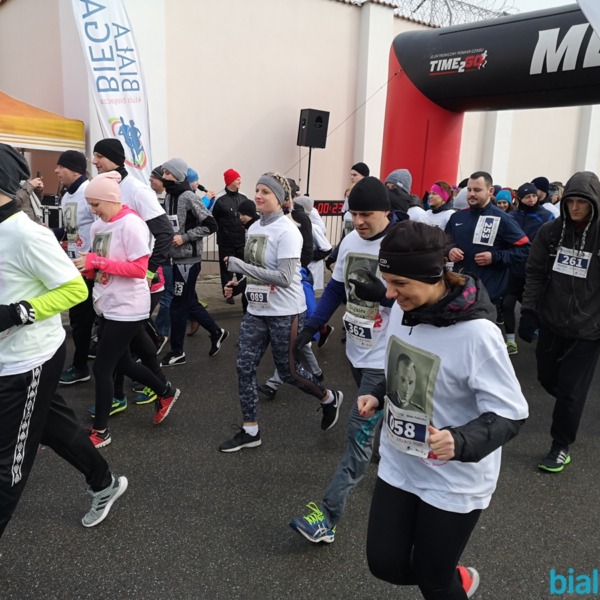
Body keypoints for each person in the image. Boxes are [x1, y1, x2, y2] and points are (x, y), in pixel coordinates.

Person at [358, 220, 528, 599]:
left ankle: (452, 583)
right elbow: (410, 364)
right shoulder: (404, 309)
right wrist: (380, 393)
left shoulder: (477, 334)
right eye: (387, 282)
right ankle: (455, 580)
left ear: (435, 276)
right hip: (401, 462)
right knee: (384, 564)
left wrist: (461, 440)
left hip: (453, 478)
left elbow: (512, 413)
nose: (390, 294)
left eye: (399, 283)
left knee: (434, 580)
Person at [0, 144, 127, 538]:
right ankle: (103, 482)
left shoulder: (25, 233)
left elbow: (74, 289)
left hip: (27, 359)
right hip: (9, 357)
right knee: (51, 426)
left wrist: (18, 312)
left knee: (8, 462)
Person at [289, 176, 404, 544]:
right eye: (354, 214)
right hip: (356, 349)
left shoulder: (403, 243)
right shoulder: (351, 240)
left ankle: (327, 515)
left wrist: (384, 297)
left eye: (366, 214)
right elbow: (336, 289)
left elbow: (422, 302)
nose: (359, 221)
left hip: (386, 356)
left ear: (386, 211)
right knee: (378, 420)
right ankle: (391, 453)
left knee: (358, 431)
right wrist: (311, 327)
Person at [218, 173, 343, 453]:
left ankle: (328, 398)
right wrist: (240, 284)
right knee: (244, 367)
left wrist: (239, 266)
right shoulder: (254, 227)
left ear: (280, 198)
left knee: (289, 372)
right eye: (257, 190)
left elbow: (285, 277)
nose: (258, 195)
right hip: (256, 310)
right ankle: (250, 430)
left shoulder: (288, 231)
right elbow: (258, 268)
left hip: (286, 311)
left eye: (265, 191)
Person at [520, 171, 600, 473]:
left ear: (594, 203)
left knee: (570, 390)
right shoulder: (551, 232)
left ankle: (560, 445)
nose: (575, 208)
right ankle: (570, 400)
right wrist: (528, 311)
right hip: (551, 321)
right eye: (571, 201)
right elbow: (535, 272)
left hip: (589, 328)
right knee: (546, 378)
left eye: (582, 202)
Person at [159, 158, 228, 365]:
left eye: (167, 173)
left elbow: (211, 225)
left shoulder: (189, 196)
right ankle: (216, 332)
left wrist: (185, 237)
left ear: (178, 175)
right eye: (163, 173)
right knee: (187, 302)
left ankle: (177, 352)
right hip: (176, 258)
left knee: (177, 305)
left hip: (188, 261)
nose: (164, 177)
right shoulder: (169, 197)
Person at [445, 171, 530, 323]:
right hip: (458, 292)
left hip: (487, 297)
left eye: (477, 190)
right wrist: (450, 250)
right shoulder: (457, 216)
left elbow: (525, 249)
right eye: (469, 190)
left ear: (490, 191)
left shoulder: (503, 218)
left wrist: (495, 257)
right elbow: (444, 242)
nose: (472, 194)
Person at [53, 151, 97, 386]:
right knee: (81, 317)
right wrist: (49, 233)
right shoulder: (68, 195)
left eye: (61, 167)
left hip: (91, 266)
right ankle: (84, 358)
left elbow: (103, 225)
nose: (56, 171)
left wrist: (96, 259)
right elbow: (71, 229)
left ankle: (80, 367)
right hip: (74, 264)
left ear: (75, 170)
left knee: (83, 318)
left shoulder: (90, 191)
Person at [502, 182, 554, 355]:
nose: (531, 199)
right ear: (519, 198)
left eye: (533, 196)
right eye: (527, 197)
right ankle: (510, 341)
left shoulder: (546, 216)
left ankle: (537, 331)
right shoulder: (511, 216)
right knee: (507, 304)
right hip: (513, 268)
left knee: (533, 307)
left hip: (535, 271)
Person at [212, 168, 249, 304]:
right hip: (225, 241)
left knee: (242, 269)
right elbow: (213, 218)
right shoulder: (219, 199)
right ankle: (228, 295)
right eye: (237, 179)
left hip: (241, 241)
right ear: (229, 181)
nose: (240, 181)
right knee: (226, 269)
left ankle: (244, 292)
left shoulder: (244, 197)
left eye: (239, 178)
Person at [341, 162, 370, 236]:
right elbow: (344, 210)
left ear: (363, 176)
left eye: (355, 175)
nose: (351, 177)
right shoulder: (350, 190)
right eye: (351, 175)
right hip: (349, 227)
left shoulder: (370, 192)